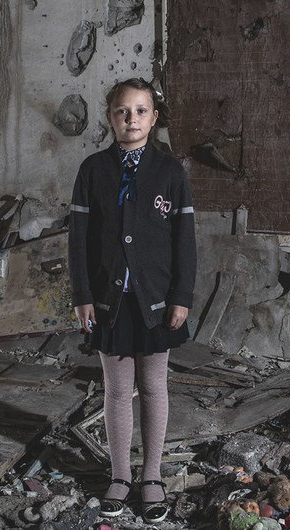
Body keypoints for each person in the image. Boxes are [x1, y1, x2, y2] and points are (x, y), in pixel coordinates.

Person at [67, 78, 196, 524]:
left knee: (154, 386)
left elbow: (185, 240)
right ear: (110, 117)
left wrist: (181, 296)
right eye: (123, 111)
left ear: (153, 118)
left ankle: (152, 476)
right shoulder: (93, 170)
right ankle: (121, 475)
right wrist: (83, 294)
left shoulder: (170, 172)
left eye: (141, 111)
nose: (132, 119)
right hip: (109, 300)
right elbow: (79, 239)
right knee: (118, 390)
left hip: (156, 300)